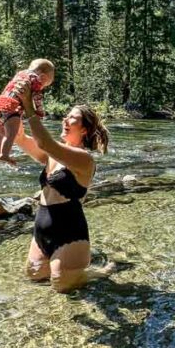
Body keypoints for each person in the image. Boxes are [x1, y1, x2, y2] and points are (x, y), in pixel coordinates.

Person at [13, 83, 112, 292]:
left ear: (84, 129)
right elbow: (20, 138)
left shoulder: (84, 159)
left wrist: (29, 107)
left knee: (62, 286)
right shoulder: (53, 154)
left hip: (70, 232)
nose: (65, 120)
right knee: (34, 276)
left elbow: (46, 143)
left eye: (72, 118)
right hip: (41, 228)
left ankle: (100, 272)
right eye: (65, 116)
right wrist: (12, 110)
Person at [0, 59, 55, 165]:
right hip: (10, 108)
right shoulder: (35, 80)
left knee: (0, 133)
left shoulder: (20, 74)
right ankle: (4, 154)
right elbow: (37, 98)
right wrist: (39, 111)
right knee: (11, 134)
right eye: (45, 85)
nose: (42, 87)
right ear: (43, 77)